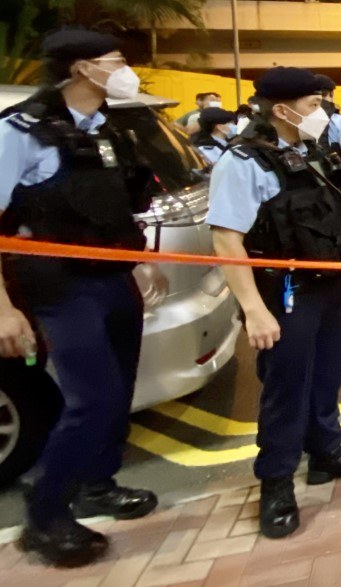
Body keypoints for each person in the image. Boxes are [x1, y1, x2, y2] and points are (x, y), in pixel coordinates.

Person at [0, 28, 159, 567]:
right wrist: (3, 308)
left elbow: (112, 209)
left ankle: (99, 482)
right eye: (116, 61)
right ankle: (44, 513)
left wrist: (141, 265)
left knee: (119, 392)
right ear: (83, 69)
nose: (125, 69)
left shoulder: (107, 129)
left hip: (112, 278)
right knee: (91, 398)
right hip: (60, 287)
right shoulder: (20, 131)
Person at [208, 66, 341, 539]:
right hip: (281, 292)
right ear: (282, 109)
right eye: (312, 105)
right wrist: (253, 309)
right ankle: (277, 481)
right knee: (286, 388)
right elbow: (227, 241)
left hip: (325, 287)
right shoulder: (244, 162)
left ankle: (327, 450)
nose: (321, 112)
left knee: (327, 375)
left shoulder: (310, 153)